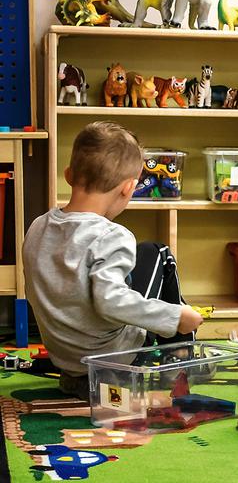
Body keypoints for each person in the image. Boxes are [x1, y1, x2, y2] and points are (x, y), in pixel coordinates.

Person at [23, 121, 203, 400]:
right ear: (129, 188)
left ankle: (83, 380)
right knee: (158, 253)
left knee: (142, 256)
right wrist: (175, 316)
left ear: (68, 175)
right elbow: (110, 300)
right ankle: (181, 360)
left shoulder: (37, 227)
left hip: (66, 359)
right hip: (111, 359)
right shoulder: (113, 236)